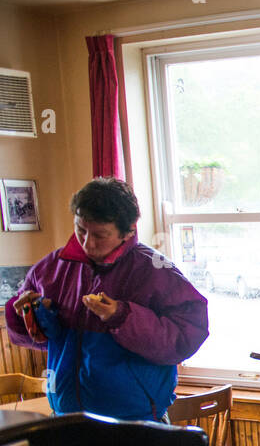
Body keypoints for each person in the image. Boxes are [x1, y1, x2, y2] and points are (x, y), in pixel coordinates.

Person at [4, 177, 208, 421]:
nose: (87, 243)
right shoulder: (51, 267)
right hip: (67, 415)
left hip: (135, 421)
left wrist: (122, 317)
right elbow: (35, 339)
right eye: (80, 230)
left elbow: (186, 339)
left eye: (100, 235)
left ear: (128, 230)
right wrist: (27, 313)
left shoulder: (155, 269)